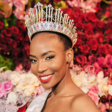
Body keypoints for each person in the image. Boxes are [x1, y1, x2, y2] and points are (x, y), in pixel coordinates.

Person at [20, 2, 101, 112]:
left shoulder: (81, 105)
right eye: (34, 60)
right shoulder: (36, 104)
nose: (39, 68)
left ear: (69, 55)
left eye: (48, 57)